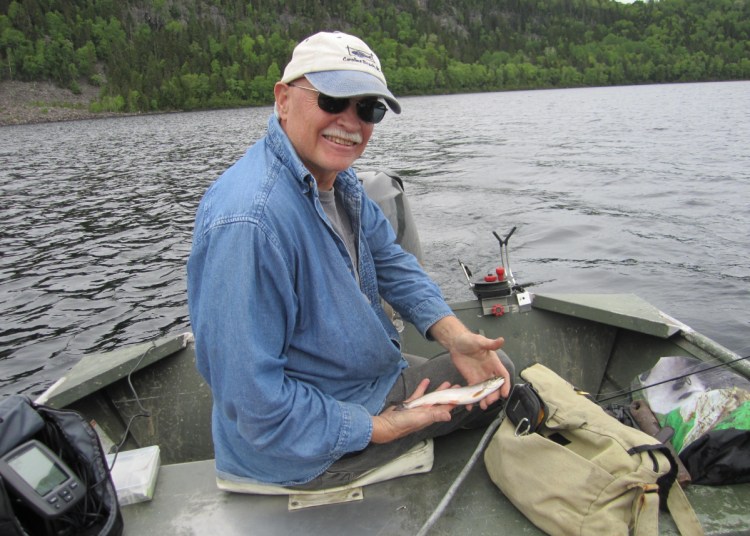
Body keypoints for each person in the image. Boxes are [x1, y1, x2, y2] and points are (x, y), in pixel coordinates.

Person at [187, 31, 514, 490]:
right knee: (503, 385)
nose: (350, 121)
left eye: (368, 108)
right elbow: (253, 402)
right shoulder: (250, 222)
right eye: (331, 100)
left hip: (355, 385)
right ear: (283, 99)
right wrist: (380, 427)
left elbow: (392, 262)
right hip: (299, 452)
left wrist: (455, 336)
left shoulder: (339, 181)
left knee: (484, 373)